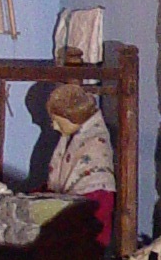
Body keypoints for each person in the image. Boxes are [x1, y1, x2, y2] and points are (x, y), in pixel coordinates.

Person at [45, 81, 116, 247]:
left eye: (59, 121)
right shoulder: (71, 140)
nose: (54, 126)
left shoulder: (93, 145)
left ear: (74, 118)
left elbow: (95, 194)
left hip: (91, 214)